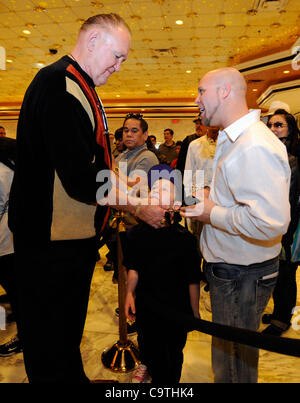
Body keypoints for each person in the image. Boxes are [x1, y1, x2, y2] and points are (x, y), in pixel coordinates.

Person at [8, 13, 165, 384]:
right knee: (49, 337)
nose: (119, 67)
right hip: (49, 244)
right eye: (118, 56)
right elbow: (81, 179)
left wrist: (125, 184)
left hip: (66, 240)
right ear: (92, 41)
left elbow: (91, 160)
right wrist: (139, 207)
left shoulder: (78, 84)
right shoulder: (58, 86)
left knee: (62, 337)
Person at [181, 67, 291, 383]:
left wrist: (211, 213)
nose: (196, 99)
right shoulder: (235, 138)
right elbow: (238, 193)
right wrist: (210, 196)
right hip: (235, 269)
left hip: (241, 273)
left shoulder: (253, 144)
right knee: (231, 353)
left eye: (201, 91)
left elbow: (270, 223)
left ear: (225, 91)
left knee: (234, 361)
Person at [124, 164, 201, 383]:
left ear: (176, 204)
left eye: (164, 189)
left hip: (176, 310)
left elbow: (192, 280)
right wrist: (129, 294)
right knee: (149, 348)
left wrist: (194, 312)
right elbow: (133, 267)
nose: (156, 191)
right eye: (153, 190)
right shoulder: (135, 235)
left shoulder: (184, 239)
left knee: (173, 356)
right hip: (147, 308)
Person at [261, 109, 300, 336]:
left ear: (290, 129)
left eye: (279, 125)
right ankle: (278, 313)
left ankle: (282, 320)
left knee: (286, 273)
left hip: (291, 224)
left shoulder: (293, 156)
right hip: (275, 220)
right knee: (277, 271)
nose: (273, 129)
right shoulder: (271, 152)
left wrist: (288, 230)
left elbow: (292, 197)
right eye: (271, 125)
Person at [0, 138, 22, 357]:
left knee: (18, 295)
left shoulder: (1, 173)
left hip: (4, 244)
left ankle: (23, 337)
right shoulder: (14, 170)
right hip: (15, 242)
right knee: (18, 292)